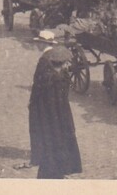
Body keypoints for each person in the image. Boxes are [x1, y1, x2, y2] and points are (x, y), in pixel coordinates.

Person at [28, 45, 82, 179]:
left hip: (52, 117)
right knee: (55, 146)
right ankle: (54, 174)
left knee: (54, 147)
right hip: (54, 119)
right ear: (60, 63)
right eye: (66, 63)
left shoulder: (50, 74)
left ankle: (56, 171)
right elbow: (55, 103)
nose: (67, 66)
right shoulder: (54, 80)